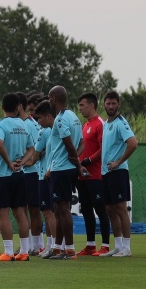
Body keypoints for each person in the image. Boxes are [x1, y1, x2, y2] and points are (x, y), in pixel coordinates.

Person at [0, 93, 33, 262]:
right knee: (20, 213)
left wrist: (9, 162)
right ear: (18, 107)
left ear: (2, 107)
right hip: (19, 174)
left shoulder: (0, 123)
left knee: (3, 212)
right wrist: (22, 161)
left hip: (4, 174)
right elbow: (32, 148)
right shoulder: (23, 124)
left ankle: (8, 252)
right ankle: (24, 251)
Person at [45, 86, 84, 260]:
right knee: (59, 209)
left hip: (61, 169)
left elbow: (69, 145)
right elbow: (81, 143)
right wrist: (76, 161)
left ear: (54, 99)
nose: (49, 100)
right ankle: (57, 248)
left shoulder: (60, 119)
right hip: (67, 168)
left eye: (49, 97)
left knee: (63, 209)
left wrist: (78, 164)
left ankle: (69, 249)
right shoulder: (73, 116)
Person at [99, 91, 138, 258]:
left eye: (113, 103)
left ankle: (127, 248)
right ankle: (118, 246)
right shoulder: (106, 124)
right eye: (108, 103)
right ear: (104, 105)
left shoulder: (121, 123)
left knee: (121, 208)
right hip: (106, 172)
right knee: (109, 209)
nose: (111, 106)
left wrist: (118, 162)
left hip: (118, 171)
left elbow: (133, 143)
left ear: (118, 104)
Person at [75, 92, 110, 256]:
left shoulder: (100, 124)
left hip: (96, 175)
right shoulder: (85, 125)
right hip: (82, 175)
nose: (80, 108)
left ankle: (106, 245)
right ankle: (90, 245)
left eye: (82, 105)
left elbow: (104, 149)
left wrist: (88, 160)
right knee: (86, 209)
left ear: (91, 105)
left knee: (100, 209)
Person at [18, 91, 44, 255]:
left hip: (31, 172)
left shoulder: (28, 124)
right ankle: (31, 245)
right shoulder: (27, 123)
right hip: (28, 172)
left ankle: (36, 245)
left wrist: (26, 162)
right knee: (26, 209)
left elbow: (36, 148)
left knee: (31, 209)